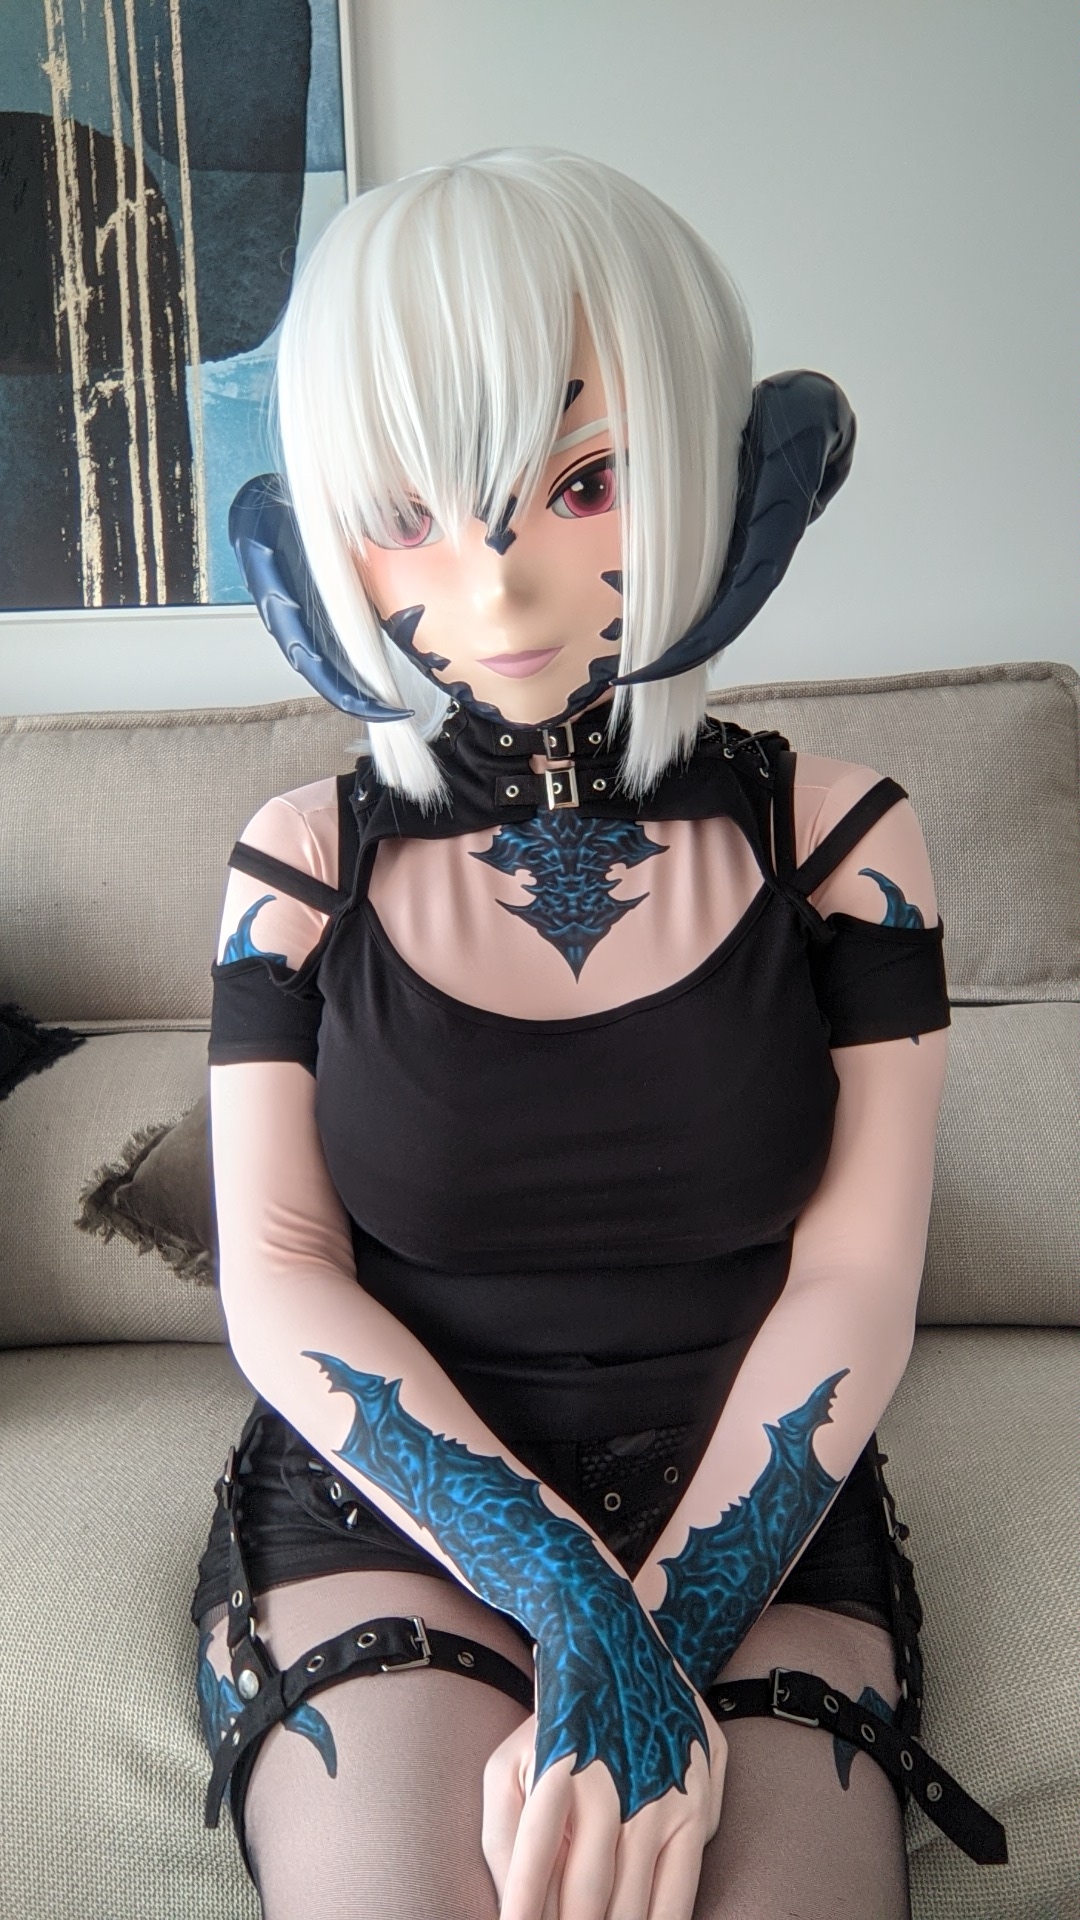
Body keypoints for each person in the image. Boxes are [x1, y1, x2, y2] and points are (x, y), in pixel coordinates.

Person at [191, 148, 1006, 1919]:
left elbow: (857, 1278)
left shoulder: (845, 843)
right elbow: (280, 1277)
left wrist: (661, 1634)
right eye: (406, 508)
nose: (496, 591)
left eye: (586, 481)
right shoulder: (298, 866)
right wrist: (573, 1604)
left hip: (759, 1504)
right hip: (387, 1514)